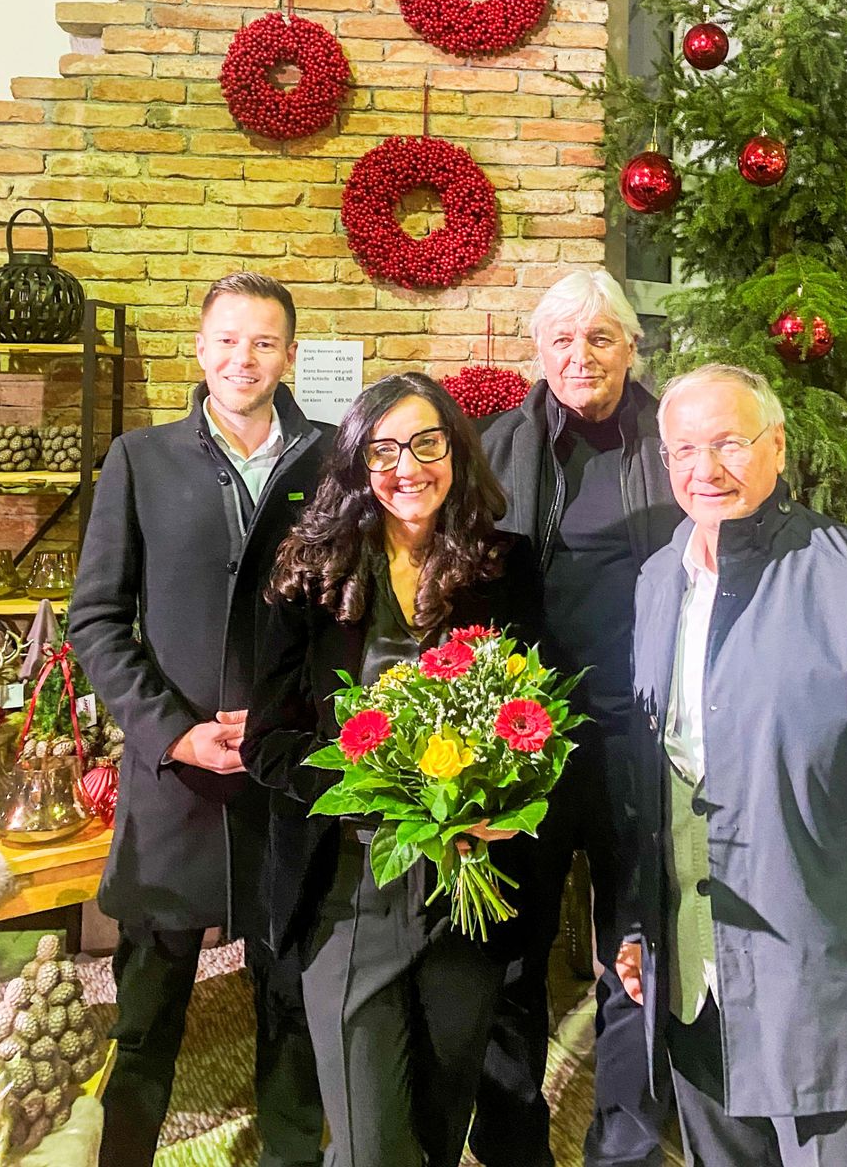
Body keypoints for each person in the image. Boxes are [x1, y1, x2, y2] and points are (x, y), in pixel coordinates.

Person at [618, 364, 847, 1167]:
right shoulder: (655, 583)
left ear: (777, 446)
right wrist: (642, 926)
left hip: (829, 992)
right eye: (685, 450)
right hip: (697, 982)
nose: (707, 470)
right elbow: (653, 782)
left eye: (731, 444)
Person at [243, 372, 543, 1167]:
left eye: (426, 442)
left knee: (440, 1132)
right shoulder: (309, 570)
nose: (407, 467)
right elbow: (267, 741)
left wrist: (501, 797)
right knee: (374, 1145)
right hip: (348, 887)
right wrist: (371, 786)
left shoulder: (506, 565)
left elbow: (534, 717)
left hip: (465, 884)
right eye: (383, 449)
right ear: (356, 463)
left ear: (456, 450)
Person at [68, 272, 328, 1167]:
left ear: (291, 353)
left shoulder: (334, 459)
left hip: (289, 776)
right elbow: (96, 619)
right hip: (173, 777)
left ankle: (293, 1152)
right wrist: (171, 730)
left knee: (290, 1002)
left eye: (264, 341)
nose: (242, 358)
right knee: (146, 1013)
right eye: (226, 339)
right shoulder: (140, 458)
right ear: (199, 347)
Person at [470, 270, 681, 1167]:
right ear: (538, 352)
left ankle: (625, 1145)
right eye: (561, 339)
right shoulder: (496, 447)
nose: (579, 355)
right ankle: (516, 1144)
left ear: (632, 348)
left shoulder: (676, 440)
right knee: (509, 953)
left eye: (599, 337)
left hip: (644, 732)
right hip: (532, 744)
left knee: (636, 947)